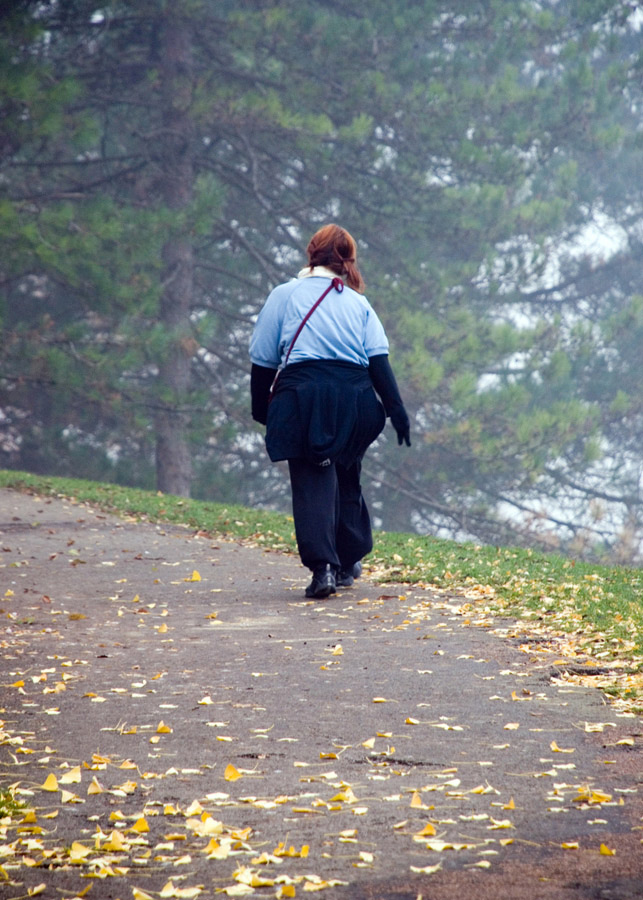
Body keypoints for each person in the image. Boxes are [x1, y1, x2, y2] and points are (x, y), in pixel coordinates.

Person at [249, 224, 410, 599]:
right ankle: (349, 558)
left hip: (303, 397)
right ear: (348, 261)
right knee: (344, 469)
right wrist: (397, 410)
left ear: (311, 253)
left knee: (312, 479)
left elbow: (263, 360)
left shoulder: (285, 295)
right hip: (356, 401)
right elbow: (378, 361)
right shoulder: (358, 303)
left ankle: (324, 567)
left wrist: (263, 411)